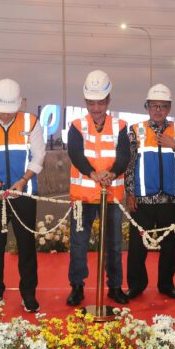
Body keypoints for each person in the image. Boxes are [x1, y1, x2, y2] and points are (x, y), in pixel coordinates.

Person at [0, 79, 45, 313]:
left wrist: (23, 181)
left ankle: (29, 294)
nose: (5, 115)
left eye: (10, 111)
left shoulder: (31, 122)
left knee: (26, 246)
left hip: (24, 195)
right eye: (2, 110)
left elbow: (38, 157)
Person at [124, 84, 175, 300]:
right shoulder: (135, 130)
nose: (158, 110)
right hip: (142, 200)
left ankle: (166, 284)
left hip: (169, 200)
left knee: (169, 246)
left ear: (169, 108)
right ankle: (136, 285)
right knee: (137, 245)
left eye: (162, 106)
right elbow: (129, 165)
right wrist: (130, 192)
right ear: (147, 107)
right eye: (154, 105)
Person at [66, 70, 130, 306]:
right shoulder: (77, 126)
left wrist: (112, 173)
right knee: (78, 244)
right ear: (85, 101)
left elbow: (124, 155)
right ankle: (77, 286)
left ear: (108, 100)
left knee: (114, 244)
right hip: (82, 197)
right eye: (91, 103)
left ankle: (115, 286)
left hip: (111, 195)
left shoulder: (120, 126)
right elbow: (75, 153)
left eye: (100, 102)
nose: (96, 108)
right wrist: (93, 173)